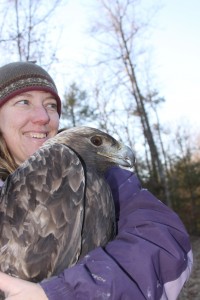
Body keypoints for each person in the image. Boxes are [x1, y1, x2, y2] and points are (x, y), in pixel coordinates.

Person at [0, 61, 193, 300]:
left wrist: (62, 293)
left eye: (51, 105)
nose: (43, 117)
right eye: (24, 102)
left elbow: (164, 244)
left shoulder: (106, 177)